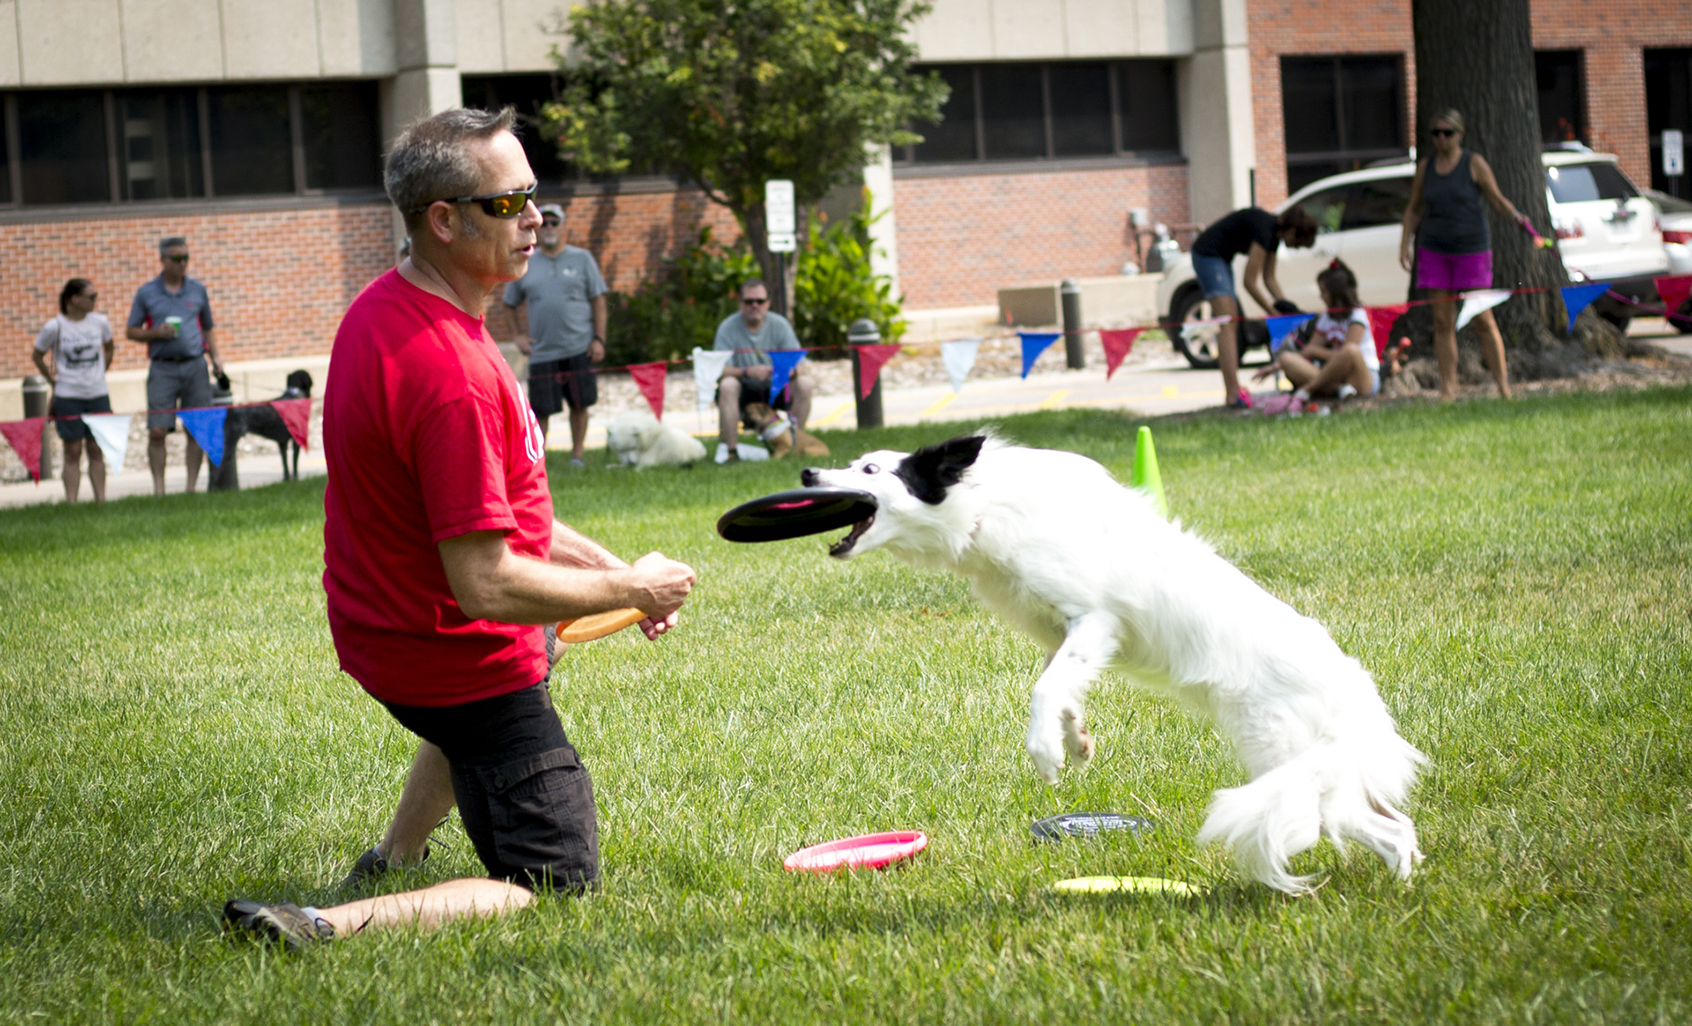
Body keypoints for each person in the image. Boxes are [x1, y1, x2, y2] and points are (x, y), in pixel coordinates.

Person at [220, 106, 697, 950]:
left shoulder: (385, 306)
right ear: (443, 220)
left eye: (535, 198)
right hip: (449, 652)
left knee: (489, 705)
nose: (536, 221)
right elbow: (484, 582)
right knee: (553, 881)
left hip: (386, 631)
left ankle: (393, 854)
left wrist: (619, 572)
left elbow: (505, 512)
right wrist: (632, 587)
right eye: (507, 204)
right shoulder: (452, 374)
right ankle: (322, 923)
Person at [1398, 108, 1515, 402]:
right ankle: (1448, 390)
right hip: (1435, 250)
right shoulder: (1425, 168)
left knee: (1482, 318)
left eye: (1447, 133)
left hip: (1471, 250)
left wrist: (1518, 219)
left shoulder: (1473, 163)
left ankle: (1504, 388)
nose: (1441, 138)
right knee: (1442, 321)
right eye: (1435, 133)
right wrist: (1404, 244)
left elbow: (1496, 199)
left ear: (1459, 134)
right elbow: (1414, 208)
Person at [500, 203, 608, 468]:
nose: (548, 228)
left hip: (578, 347)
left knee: (580, 405)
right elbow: (508, 303)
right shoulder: (526, 261)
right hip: (542, 352)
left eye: (554, 223)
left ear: (564, 227)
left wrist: (599, 339)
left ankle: (577, 456)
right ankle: (539, 462)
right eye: (543, 223)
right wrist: (517, 337)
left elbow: (599, 301)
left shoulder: (582, 259)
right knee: (540, 411)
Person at [1188, 204, 1319, 408]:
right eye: (1298, 242)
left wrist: (1285, 308)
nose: (1296, 247)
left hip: (1222, 258)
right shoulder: (1265, 230)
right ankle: (1232, 393)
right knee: (1228, 323)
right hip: (1208, 254)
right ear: (1293, 231)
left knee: (1230, 323)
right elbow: (1249, 282)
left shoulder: (1274, 235)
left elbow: (1269, 279)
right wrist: (1271, 311)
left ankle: (1234, 390)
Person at [125, 236, 225, 496]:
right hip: (162, 368)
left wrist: (216, 358)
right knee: (157, 430)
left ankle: (191, 488)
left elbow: (209, 327)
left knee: (196, 428)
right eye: (177, 258)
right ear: (163, 260)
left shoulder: (197, 290)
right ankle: (160, 490)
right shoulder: (147, 293)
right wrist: (156, 333)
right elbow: (131, 331)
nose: (183, 263)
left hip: (195, 365)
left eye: (186, 258)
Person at [32, 278, 114, 503]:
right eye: (91, 296)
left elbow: (109, 348)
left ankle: (101, 500)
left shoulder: (100, 322)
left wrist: (100, 373)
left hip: (97, 393)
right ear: (73, 299)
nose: (95, 300)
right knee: (73, 450)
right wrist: (53, 382)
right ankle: (71, 503)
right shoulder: (55, 326)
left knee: (96, 449)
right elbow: (37, 355)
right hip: (68, 395)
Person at [714, 278, 813, 462]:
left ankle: (795, 445)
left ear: (768, 302)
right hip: (744, 388)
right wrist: (745, 371)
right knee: (727, 385)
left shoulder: (780, 325)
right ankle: (731, 452)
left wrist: (789, 371)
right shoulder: (727, 328)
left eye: (759, 301)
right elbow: (718, 369)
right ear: (740, 303)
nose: (754, 305)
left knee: (805, 384)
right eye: (748, 301)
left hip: (777, 388)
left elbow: (802, 365)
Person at [1253, 259, 1379, 403]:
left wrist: (1315, 352)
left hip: (1362, 376)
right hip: (1336, 376)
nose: (1321, 296)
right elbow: (1308, 349)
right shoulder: (1326, 317)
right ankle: (1339, 389)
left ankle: (1309, 389)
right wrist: (1276, 366)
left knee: (1350, 350)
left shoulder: (1357, 314)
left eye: (1323, 292)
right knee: (1287, 358)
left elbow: (1347, 356)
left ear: (1335, 293)